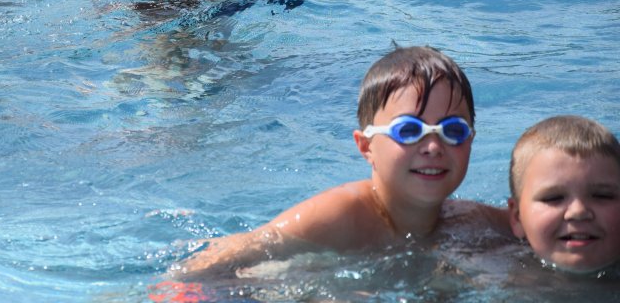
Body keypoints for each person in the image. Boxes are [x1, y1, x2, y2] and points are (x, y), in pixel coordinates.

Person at [174, 46, 509, 278]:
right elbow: (203, 268)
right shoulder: (339, 217)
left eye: (453, 131)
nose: (433, 146)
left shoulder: (472, 222)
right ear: (366, 147)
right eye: (409, 131)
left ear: (471, 140)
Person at [507, 115, 620, 274]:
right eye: (553, 198)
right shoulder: (489, 274)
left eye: (602, 196)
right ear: (517, 218)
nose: (578, 211)